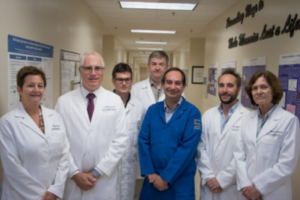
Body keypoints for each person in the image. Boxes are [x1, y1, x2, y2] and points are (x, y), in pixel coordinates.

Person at [55, 52, 128, 200]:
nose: (93, 73)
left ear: (103, 71)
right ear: (80, 71)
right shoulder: (64, 102)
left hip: (103, 180)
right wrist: (74, 173)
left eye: (97, 68)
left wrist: (97, 172)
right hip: (73, 180)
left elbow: (121, 141)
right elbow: (59, 142)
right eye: (88, 68)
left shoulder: (115, 101)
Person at [0, 66, 69, 200]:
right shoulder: (7, 123)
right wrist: (41, 196)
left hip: (52, 193)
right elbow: (12, 168)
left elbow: (64, 155)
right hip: (20, 195)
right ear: (19, 89)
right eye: (30, 85)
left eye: (40, 86)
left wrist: (56, 189)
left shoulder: (54, 116)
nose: (36, 90)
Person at [234, 70, 300, 200]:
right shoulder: (247, 118)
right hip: (246, 191)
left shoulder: (289, 121)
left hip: (273, 193)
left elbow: (286, 164)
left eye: (264, 87)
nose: (258, 91)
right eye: (255, 88)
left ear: (274, 90)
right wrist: (246, 186)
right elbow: (238, 154)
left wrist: (258, 188)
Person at [138, 67, 202, 200]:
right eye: (169, 82)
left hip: (179, 182)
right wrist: (150, 172)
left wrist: (165, 177)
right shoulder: (152, 110)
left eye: (177, 83)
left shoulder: (192, 113)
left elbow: (187, 149)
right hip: (153, 180)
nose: (173, 87)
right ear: (162, 84)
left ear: (184, 86)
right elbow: (143, 140)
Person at [197, 68, 249, 200]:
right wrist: (209, 176)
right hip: (208, 185)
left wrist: (221, 180)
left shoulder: (248, 118)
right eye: (221, 85)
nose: (225, 90)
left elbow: (245, 154)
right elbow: (200, 147)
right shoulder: (208, 115)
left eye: (230, 85)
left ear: (238, 89)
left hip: (231, 187)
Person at [111, 63, 145, 200]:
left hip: (131, 165)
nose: (124, 83)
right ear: (113, 81)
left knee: (128, 195)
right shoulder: (105, 103)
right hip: (110, 165)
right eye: (120, 80)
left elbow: (142, 136)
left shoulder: (139, 106)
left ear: (132, 81)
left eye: (127, 80)